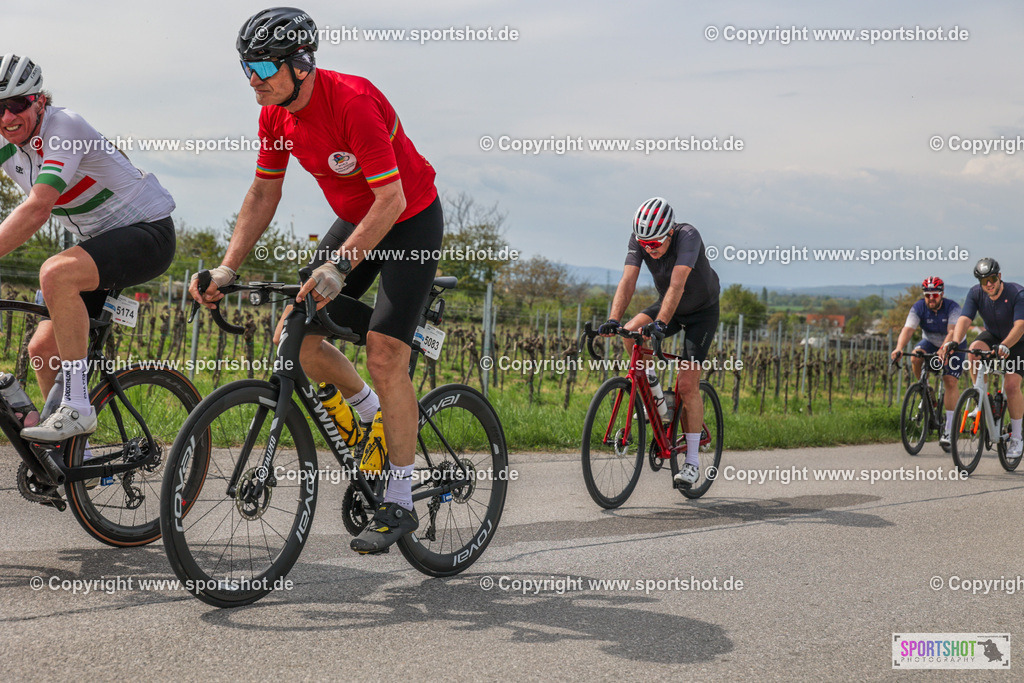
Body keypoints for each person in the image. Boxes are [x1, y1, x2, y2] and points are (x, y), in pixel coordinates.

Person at [190, 8, 443, 554]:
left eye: (262, 65)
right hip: (359, 216)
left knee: (384, 353)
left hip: (409, 218)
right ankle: (370, 416)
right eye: (245, 67)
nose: (252, 77)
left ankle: (399, 501)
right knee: (296, 335)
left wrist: (341, 265)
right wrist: (228, 267)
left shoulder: (351, 101)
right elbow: (263, 195)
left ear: (300, 64)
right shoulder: (274, 117)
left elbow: (392, 199)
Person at [0, 54, 175, 442]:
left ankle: (78, 406)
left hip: (147, 232)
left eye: (16, 104)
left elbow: (38, 208)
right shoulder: (6, 141)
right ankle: (74, 453)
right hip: (98, 245)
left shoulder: (65, 126)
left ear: (39, 101)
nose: (7, 117)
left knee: (55, 272)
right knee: (43, 351)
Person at [599, 197, 720, 487]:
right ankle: (655, 394)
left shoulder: (688, 237)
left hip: (700, 313)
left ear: (670, 232)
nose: (650, 249)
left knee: (687, 385)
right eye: (645, 244)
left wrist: (661, 325)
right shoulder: (641, 241)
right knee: (630, 333)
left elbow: (677, 284)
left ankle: (691, 462)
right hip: (670, 304)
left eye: (656, 244)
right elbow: (628, 280)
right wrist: (614, 320)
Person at [940, 258, 1024, 459]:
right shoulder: (976, 293)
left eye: (992, 279)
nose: (989, 284)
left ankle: (1017, 437)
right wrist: (954, 340)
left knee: (1011, 385)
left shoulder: (1017, 293)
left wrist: (1005, 345)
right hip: (993, 335)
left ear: (999, 277)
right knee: (974, 350)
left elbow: (1020, 325)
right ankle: (979, 397)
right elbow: (964, 319)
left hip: (1018, 340)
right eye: (984, 280)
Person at [890, 277, 965, 447]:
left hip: (954, 342)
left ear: (942, 294)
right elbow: (908, 329)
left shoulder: (953, 307)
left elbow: (953, 331)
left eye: (935, 295)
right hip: (930, 342)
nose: (931, 298)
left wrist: (945, 347)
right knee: (916, 356)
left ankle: (949, 426)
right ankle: (925, 387)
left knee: (950, 380)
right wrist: (899, 347)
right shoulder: (918, 307)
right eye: (928, 295)